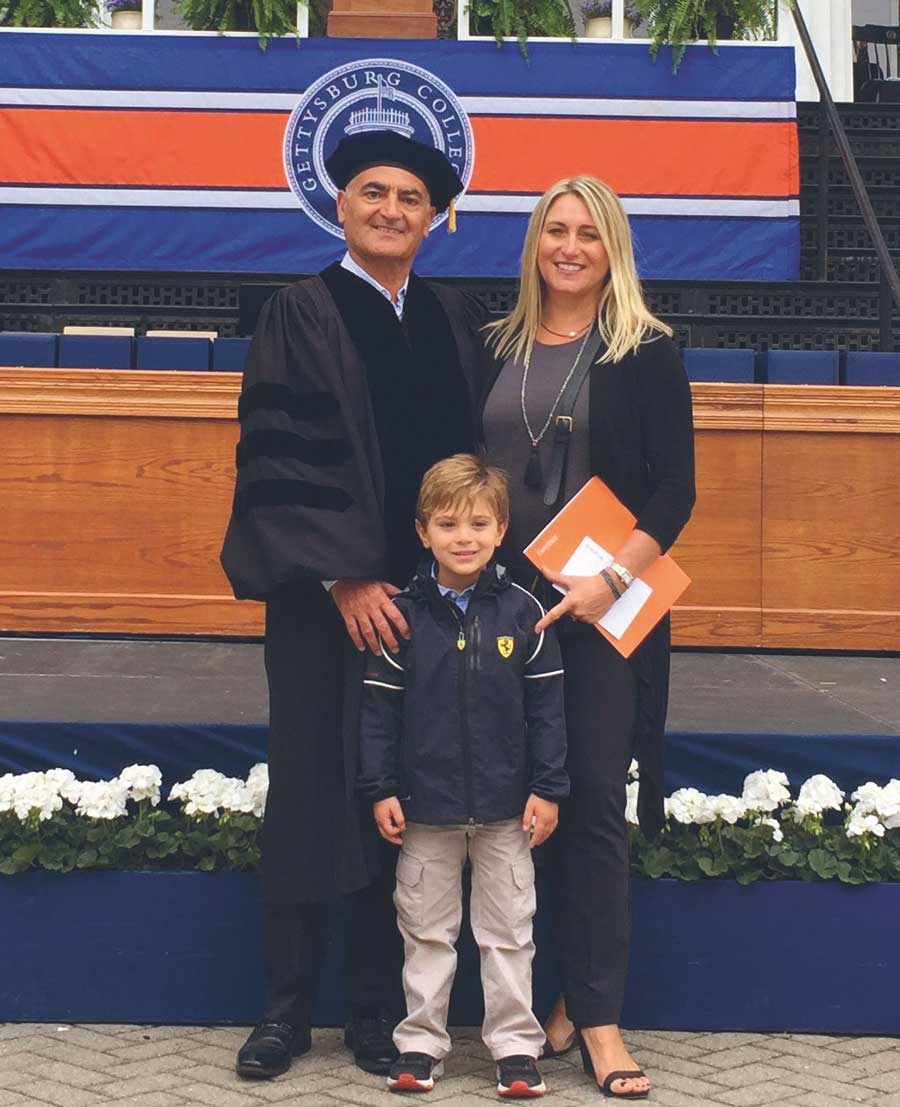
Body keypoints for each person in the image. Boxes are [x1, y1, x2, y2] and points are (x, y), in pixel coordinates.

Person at [220, 131, 491, 1080]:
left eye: (410, 197)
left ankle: (378, 1011)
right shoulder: (298, 311)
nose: (390, 208)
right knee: (306, 787)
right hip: (320, 605)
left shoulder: (455, 321)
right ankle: (285, 1012)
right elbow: (276, 462)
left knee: (399, 802)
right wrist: (341, 575)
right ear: (339, 206)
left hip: (424, 613)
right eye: (372, 191)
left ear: (433, 219)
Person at [480, 176, 696, 1100]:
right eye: (555, 231)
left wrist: (612, 575)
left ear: (614, 250)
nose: (570, 247)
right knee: (519, 803)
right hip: (500, 612)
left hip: (606, 608)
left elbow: (675, 492)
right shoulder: (493, 344)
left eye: (588, 234)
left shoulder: (645, 351)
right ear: (535, 244)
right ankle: (541, 1002)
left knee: (596, 807)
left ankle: (600, 1023)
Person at [357, 454, 569, 1099]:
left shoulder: (524, 613)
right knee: (426, 932)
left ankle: (515, 1051)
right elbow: (377, 714)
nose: (465, 537)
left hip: (510, 811)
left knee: (509, 935)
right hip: (425, 811)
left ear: (502, 529)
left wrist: (549, 788)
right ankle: (419, 1045)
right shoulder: (401, 616)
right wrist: (381, 787)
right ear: (422, 532)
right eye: (448, 524)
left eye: (479, 523)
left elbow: (547, 712)